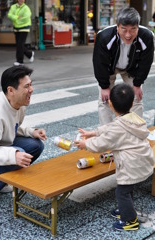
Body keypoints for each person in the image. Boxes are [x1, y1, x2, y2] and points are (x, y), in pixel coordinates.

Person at [75, 83, 155, 231]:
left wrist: (85, 144)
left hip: (132, 167)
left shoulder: (117, 127)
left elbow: (101, 144)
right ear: (132, 103)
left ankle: (130, 220)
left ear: (110, 103)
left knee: (122, 192)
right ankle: (127, 210)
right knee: (128, 188)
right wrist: (94, 132)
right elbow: (112, 127)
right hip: (144, 163)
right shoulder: (134, 118)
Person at [93, 7, 154, 125]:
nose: (128, 34)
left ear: (138, 26)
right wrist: (104, 86)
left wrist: (137, 84)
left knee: (136, 98)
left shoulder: (146, 36)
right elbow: (99, 63)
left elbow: (146, 62)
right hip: (109, 68)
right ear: (117, 26)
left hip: (131, 69)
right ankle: (108, 134)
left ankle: (136, 131)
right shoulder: (104, 37)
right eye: (124, 29)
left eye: (133, 30)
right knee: (104, 100)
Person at [0, 65, 47, 205]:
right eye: (26, 86)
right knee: (20, 154)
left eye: (31, 85)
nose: (31, 89)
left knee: (36, 145)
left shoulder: (19, 104)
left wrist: (32, 132)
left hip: (0, 145)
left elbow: (13, 127)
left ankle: (1, 180)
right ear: (11, 90)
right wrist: (13, 155)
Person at [8, 0, 34, 66]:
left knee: (20, 44)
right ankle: (30, 54)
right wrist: (17, 17)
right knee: (19, 45)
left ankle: (20, 61)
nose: (21, 0)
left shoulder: (26, 8)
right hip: (16, 28)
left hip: (24, 28)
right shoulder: (13, 7)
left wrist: (16, 20)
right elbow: (9, 15)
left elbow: (26, 18)